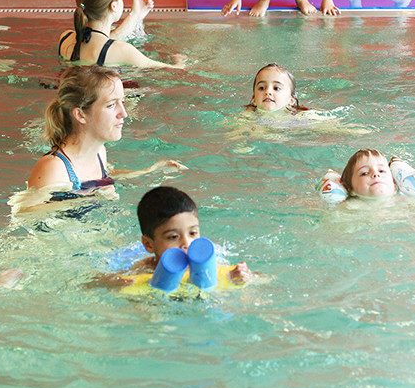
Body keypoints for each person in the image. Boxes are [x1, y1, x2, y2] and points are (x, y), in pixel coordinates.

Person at [26, 67, 185, 198]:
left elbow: (103, 178)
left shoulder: (99, 152)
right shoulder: (54, 168)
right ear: (81, 115)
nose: (123, 113)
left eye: (122, 102)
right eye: (111, 105)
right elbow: (25, 215)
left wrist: (149, 171)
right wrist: (90, 197)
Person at [93, 186, 253, 288]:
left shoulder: (213, 263)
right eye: (173, 237)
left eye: (193, 233)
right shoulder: (144, 268)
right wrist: (111, 283)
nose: (186, 243)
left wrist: (240, 278)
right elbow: (93, 282)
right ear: (149, 245)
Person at [58, 0, 186, 69]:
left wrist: (135, 15)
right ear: (113, 6)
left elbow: (102, 42)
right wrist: (179, 61)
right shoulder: (123, 51)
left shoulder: (65, 39)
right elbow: (175, 70)